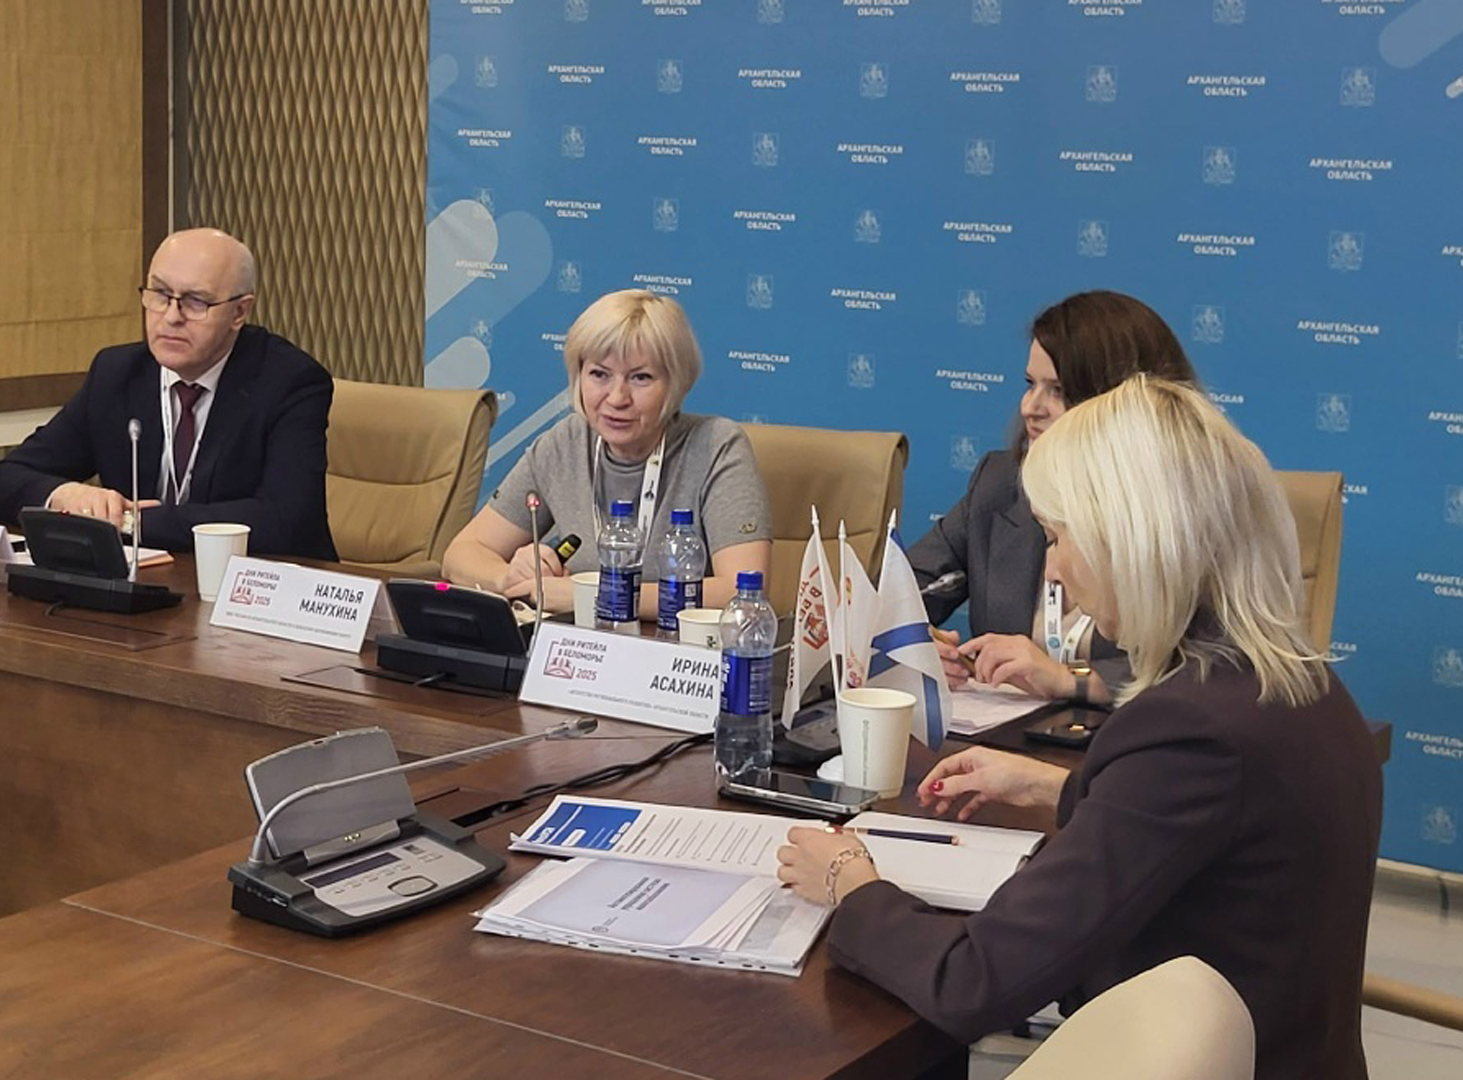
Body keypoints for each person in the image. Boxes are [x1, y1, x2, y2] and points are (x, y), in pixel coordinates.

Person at [778, 377, 1381, 1080]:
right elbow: (1204, 836)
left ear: (1134, 542)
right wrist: (1056, 787)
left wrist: (850, 883)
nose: (1054, 569)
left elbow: (974, 981)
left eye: (1059, 538)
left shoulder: (1189, 731)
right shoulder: (1294, 680)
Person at [910, 290, 1197, 706]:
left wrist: (1071, 680)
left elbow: (1208, 665)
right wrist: (913, 645)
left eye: (1058, 390)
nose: (1030, 407)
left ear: (1121, 401)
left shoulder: (1185, 512)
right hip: (1005, 735)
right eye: (1030, 384)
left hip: (1133, 737)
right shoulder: (1000, 485)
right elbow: (896, 594)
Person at [0, 228, 337, 557]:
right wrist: (66, 495)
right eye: (160, 295)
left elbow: (284, 520)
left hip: (261, 586)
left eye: (196, 301)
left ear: (239, 312)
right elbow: (7, 478)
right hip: (149, 580)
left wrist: (129, 522)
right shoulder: (117, 373)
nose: (171, 317)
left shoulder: (289, 382)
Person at [441, 289, 770, 614]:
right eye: (599, 374)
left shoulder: (715, 446)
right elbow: (462, 553)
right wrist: (512, 578)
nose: (616, 398)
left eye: (640, 378)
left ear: (675, 384)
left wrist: (596, 596)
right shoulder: (564, 443)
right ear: (578, 376)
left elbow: (740, 589)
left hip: (672, 645)